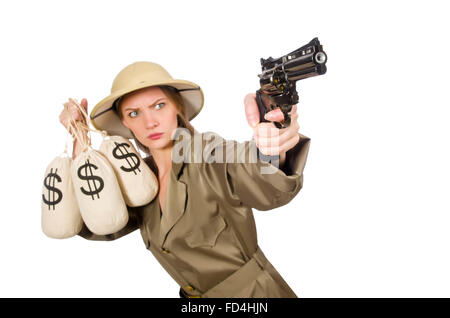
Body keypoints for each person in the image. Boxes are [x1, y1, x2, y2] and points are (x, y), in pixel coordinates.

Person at [59, 61, 311, 298]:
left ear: (177, 105)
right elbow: (100, 223)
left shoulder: (208, 153)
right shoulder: (137, 180)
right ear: (125, 123)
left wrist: (272, 148)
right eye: (134, 113)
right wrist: (80, 142)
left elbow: (260, 178)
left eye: (159, 105)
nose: (150, 122)